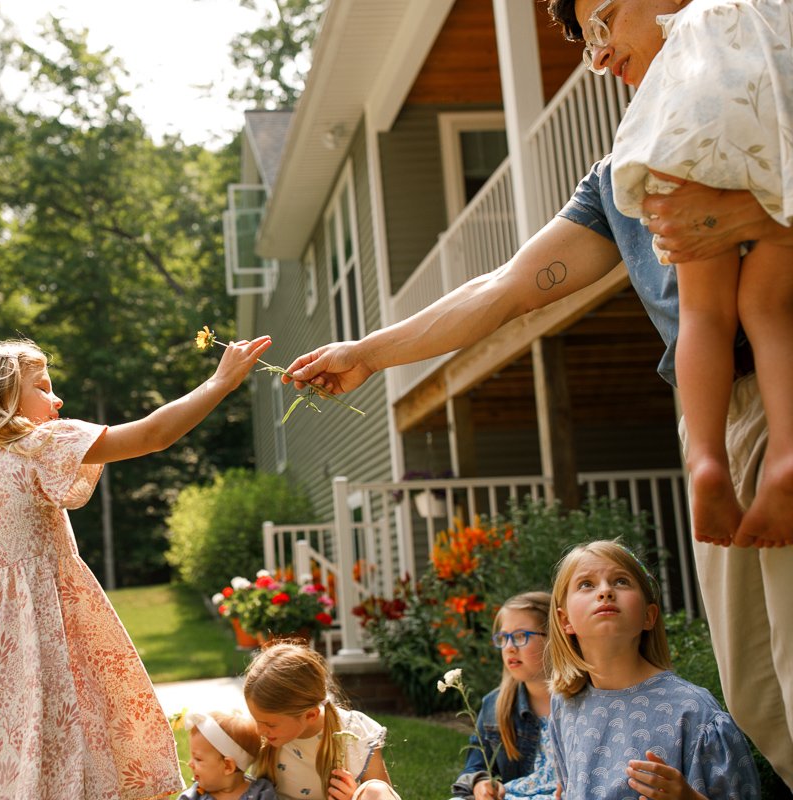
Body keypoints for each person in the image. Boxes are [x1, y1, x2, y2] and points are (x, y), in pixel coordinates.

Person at [280, 0, 793, 786]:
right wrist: (368, 353)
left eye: (604, 22)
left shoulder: (774, 58)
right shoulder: (625, 173)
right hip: (718, 420)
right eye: (583, 38)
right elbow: (509, 284)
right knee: (763, 694)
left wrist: (766, 218)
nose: (597, 55)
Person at [0, 335, 272, 799]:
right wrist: (220, 382)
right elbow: (151, 435)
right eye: (41, 387)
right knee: (73, 763)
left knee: (10, 777)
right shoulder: (33, 447)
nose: (56, 398)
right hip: (49, 655)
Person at [608, 0, 793, 547]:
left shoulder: (683, 32)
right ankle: (785, 453)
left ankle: (708, 461)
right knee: (768, 305)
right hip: (769, 99)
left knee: (702, 313)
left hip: (684, 117)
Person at [546, 540, 760, 798]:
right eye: (586, 584)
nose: (605, 591)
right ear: (565, 620)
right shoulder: (564, 705)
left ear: (649, 616)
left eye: (621, 581)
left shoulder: (694, 712)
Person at [242, 642, 400, 800]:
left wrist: (354, 798)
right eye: (256, 720)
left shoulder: (354, 731)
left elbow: (383, 795)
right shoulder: (262, 736)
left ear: (310, 715)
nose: (259, 731)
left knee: (376, 790)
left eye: (270, 725)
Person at [449, 592, 554, 800]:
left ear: (553, 638)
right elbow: (474, 767)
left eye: (520, 636)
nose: (509, 648)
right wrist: (481, 783)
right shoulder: (495, 705)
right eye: (503, 638)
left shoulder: (585, 699)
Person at [180, 709, 278, 800]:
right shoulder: (193, 797)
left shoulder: (261, 794)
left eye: (198, 759)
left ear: (228, 766)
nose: (190, 764)